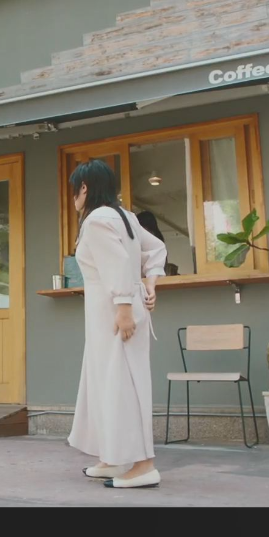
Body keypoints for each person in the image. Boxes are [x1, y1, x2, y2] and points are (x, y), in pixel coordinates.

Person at [67, 159, 168, 489]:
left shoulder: (97, 220)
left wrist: (124, 306)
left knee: (123, 385)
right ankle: (112, 457)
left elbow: (118, 263)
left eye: (75, 189)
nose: (73, 197)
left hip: (114, 314)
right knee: (108, 383)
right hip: (115, 312)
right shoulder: (125, 216)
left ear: (84, 187)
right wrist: (149, 284)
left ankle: (144, 466)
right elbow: (156, 248)